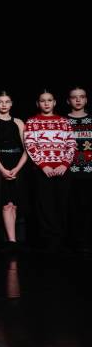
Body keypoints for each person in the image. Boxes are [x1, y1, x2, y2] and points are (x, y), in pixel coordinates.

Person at [24, 90, 76, 252]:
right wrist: (43, 165)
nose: (46, 103)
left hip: (62, 169)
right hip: (42, 170)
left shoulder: (64, 122)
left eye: (49, 100)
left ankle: (61, 240)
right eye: (43, 100)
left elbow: (71, 144)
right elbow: (30, 145)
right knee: (44, 205)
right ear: (38, 104)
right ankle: (48, 240)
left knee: (62, 203)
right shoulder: (32, 122)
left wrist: (64, 165)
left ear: (54, 103)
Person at [0, 91, 28, 249]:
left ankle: (14, 239)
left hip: (17, 164)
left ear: (11, 104)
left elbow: (27, 149)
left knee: (15, 204)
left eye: (7, 102)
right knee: (5, 204)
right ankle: (11, 241)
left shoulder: (18, 122)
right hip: (0, 163)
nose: (4, 105)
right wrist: (2, 169)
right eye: (0, 102)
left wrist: (17, 168)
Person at [65, 86, 92, 254]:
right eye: (74, 97)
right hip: (68, 172)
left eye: (81, 96)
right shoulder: (63, 121)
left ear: (86, 100)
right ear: (68, 101)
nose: (78, 100)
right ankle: (73, 242)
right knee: (71, 208)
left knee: (87, 207)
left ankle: (86, 241)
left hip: (89, 172)